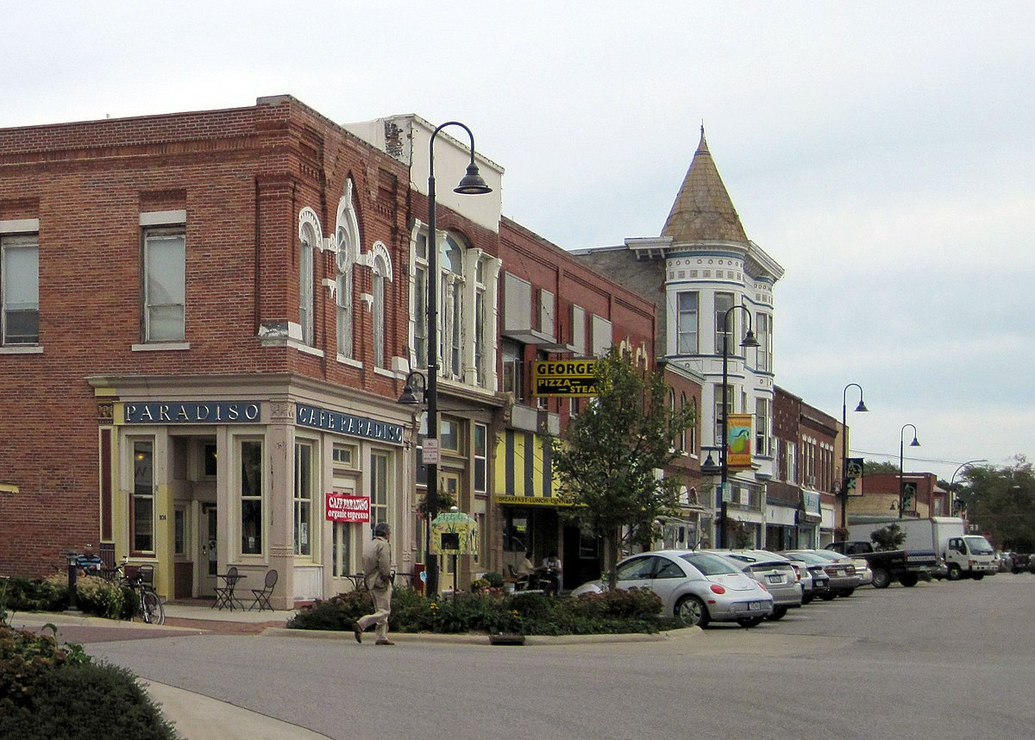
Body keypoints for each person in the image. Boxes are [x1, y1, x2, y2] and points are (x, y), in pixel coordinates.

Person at [352, 522, 395, 645]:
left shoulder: (370, 544)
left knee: (379, 609)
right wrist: (387, 577)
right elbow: (384, 563)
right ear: (386, 534)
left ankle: (381, 636)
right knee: (385, 610)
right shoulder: (383, 545)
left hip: (370, 580)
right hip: (380, 579)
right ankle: (362, 623)